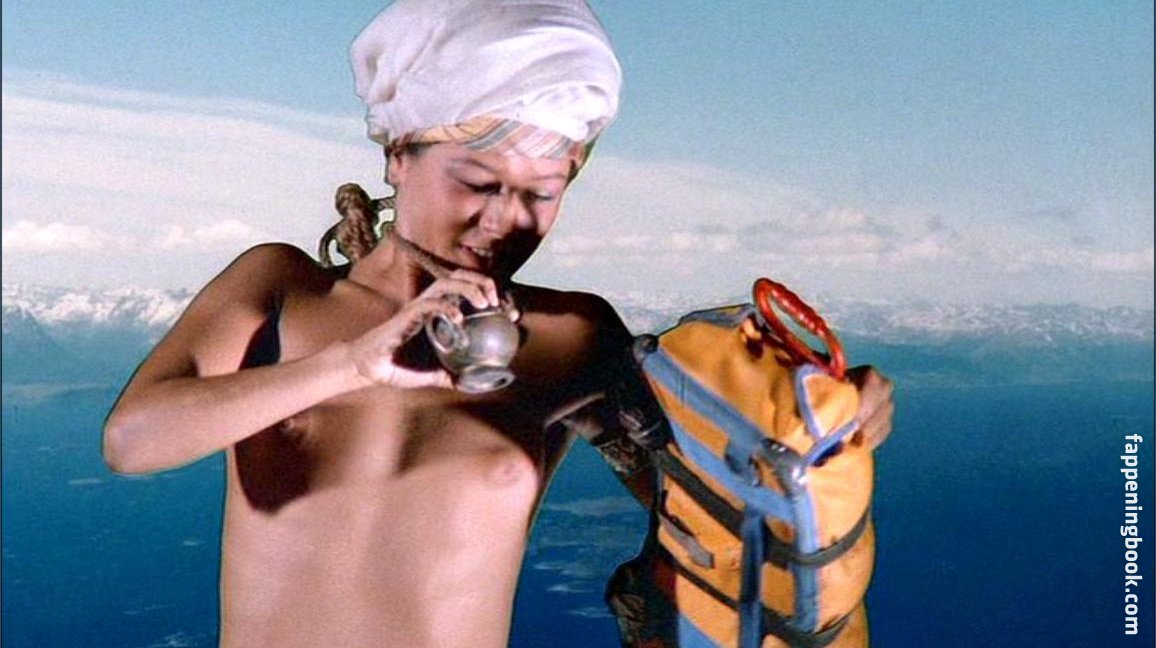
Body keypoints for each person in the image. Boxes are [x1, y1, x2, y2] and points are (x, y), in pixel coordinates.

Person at [103, 1, 894, 646]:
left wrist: (826, 424)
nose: (504, 221)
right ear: (398, 154)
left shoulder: (572, 337)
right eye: (479, 182)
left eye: (542, 192)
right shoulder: (284, 288)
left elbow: (719, 496)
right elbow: (132, 441)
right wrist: (351, 364)